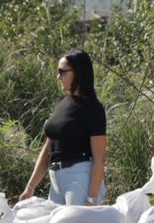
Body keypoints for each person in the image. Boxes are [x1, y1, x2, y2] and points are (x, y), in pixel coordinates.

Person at [18, 49, 108, 205]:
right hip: (56, 181)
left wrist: (92, 198)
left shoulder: (93, 108)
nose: (58, 77)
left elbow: (99, 159)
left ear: (78, 73)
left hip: (78, 179)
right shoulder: (61, 103)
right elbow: (48, 149)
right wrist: (30, 187)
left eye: (62, 72)